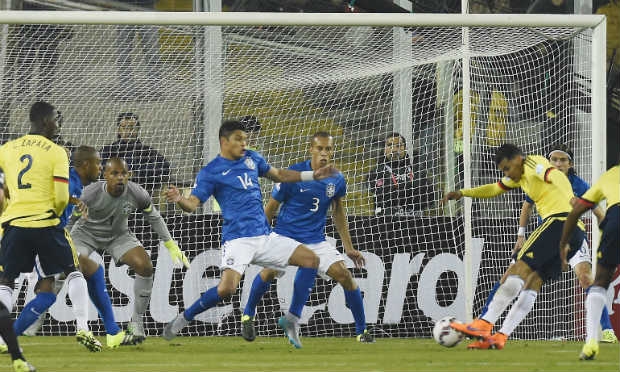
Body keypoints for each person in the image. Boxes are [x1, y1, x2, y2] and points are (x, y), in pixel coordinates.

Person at [161, 120, 336, 347]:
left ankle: (292, 319)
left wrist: (312, 176)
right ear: (224, 142)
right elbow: (192, 204)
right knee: (226, 289)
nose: (244, 143)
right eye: (238, 139)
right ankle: (185, 317)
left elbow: (280, 175)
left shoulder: (253, 158)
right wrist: (179, 199)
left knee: (311, 260)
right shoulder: (211, 172)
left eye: (245, 139)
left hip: (264, 236)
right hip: (238, 240)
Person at [442, 143, 586, 350]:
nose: (507, 174)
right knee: (533, 282)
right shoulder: (520, 175)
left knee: (517, 269)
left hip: (559, 221)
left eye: (507, 168)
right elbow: (494, 188)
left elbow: (555, 176)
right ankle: (501, 336)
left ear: (518, 159)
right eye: (503, 171)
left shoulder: (533, 163)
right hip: (576, 233)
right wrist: (463, 193)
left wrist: (570, 197)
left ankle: (483, 324)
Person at [240, 132, 374, 344]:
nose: (324, 153)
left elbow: (338, 211)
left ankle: (362, 331)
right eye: (319, 148)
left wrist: (348, 247)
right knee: (269, 272)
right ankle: (248, 315)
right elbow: (270, 208)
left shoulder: (336, 179)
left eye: (328, 149)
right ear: (310, 149)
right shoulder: (293, 174)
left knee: (344, 275)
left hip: (315, 239)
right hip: (285, 236)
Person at [477, 144, 617, 345]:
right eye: (555, 160)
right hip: (547, 234)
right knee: (514, 273)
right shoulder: (538, 177)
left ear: (571, 164)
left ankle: (606, 330)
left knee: (586, 277)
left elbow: (598, 211)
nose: (559, 164)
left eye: (563, 160)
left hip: (573, 235)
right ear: (549, 162)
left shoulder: (579, 185)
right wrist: (521, 235)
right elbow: (527, 206)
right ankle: (484, 322)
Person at [13, 146, 139, 349]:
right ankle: (87, 329)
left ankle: (112, 332)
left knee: (83, 274)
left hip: (45, 235)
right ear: (86, 164)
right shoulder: (69, 181)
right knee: (59, 284)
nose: (100, 168)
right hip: (44, 234)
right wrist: (74, 200)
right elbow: (51, 199)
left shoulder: (74, 181)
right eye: (98, 163)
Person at [0, 101, 83, 371]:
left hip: (13, 224)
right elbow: (60, 197)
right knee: (72, 270)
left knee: (7, 280)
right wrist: (55, 214)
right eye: (55, 121)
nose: (57, 126)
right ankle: (84, 328)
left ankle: (2, 339)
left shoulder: (7, 149)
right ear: (46, 121)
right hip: (45, 222)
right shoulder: (57, 152)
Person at [70, 157, 189, 344]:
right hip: (86, 234)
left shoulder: (137, 193)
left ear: (129, 175)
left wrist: (170, 244)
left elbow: (155, 218)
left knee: (145, 266)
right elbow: (71, 221)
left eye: (124, 173)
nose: (120, 178)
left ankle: (137, 322)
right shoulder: (90, 193)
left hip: (118, 235)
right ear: (105, 175)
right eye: (114, 173)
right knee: (69, 269)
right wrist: (59, 244)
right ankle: (38, 318)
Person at [559, 164, 619, 360]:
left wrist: (564, 243)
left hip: (615, 219)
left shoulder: (608, 176)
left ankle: (592, 342)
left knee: (598, 281)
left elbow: (578, 211)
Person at [99, 112, 170, 195]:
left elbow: (164, 166)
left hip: (141, 195)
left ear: (138, 129)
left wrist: (137, 173)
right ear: (118, 130)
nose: (129, 132)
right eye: (124, 128)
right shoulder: (108, 150)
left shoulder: (146, 151)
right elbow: (99, 168)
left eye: (132, 128)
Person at [368, 132, 433, 216]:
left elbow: (430, 198)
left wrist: (397, 189)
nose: (394, 150)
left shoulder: (417, 170)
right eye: (390, 145)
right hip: (387, 224)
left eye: (399, 145)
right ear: (384, 149)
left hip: (416, 224)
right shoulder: (376, 172)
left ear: (405, 148)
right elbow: (386, 197)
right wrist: (413, 190)